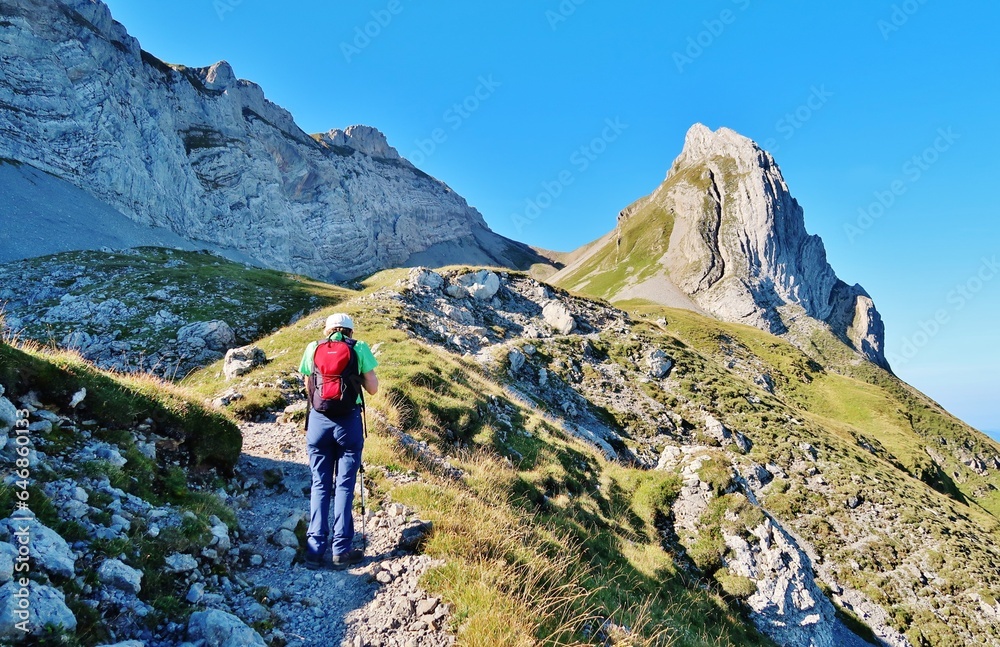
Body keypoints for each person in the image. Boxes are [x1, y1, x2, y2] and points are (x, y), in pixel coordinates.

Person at [298, 312, 379, 569]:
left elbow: (308, 384)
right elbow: (373, 388)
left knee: (320, 484)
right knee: (344, 486)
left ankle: (313, 550)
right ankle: (340, 550)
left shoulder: (313, 347)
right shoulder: (359, 348)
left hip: (318, 422)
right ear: (350, 331)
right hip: (348, 423)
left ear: (328, 329)